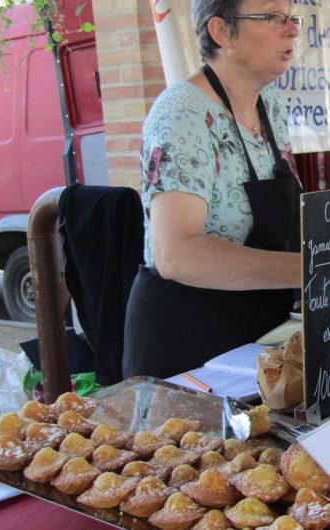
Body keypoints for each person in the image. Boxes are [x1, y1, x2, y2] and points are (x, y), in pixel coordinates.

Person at [123, 0, 304, 379]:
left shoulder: (269, 104)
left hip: (256, 333)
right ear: (221, 32)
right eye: (273, 17)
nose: (292, 30)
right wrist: (309, 269)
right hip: (188, 346)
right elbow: (177, 255)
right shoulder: (182, 112)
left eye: (291, 18)